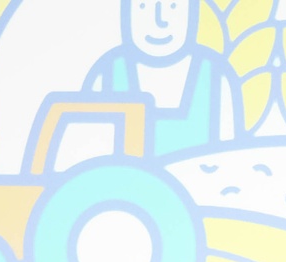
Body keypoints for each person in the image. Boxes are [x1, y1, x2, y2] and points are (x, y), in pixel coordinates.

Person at [82, 0, 237, 155]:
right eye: (143, 6)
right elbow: (89, 147)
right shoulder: (108, 73)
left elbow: (228, 154)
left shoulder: (215, 74)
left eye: (172, 6)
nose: (160, 21)